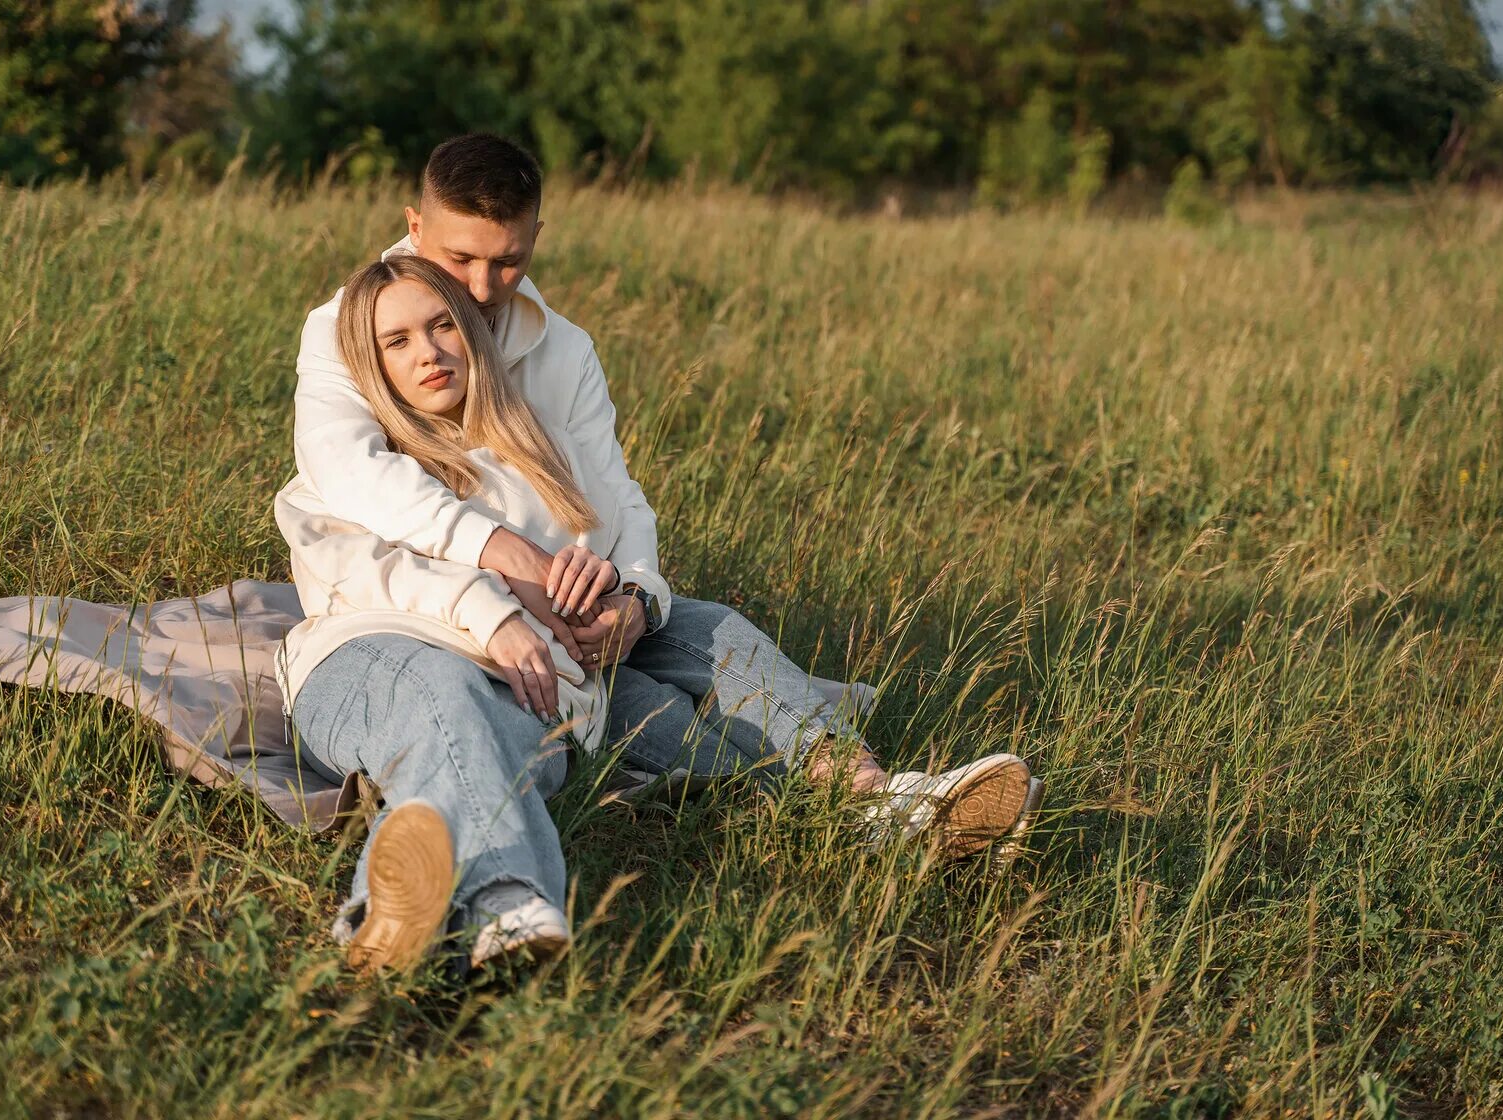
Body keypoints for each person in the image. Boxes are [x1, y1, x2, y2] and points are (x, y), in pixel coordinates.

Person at [279, 247, 1042, 973]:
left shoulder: (531, 446)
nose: (429, 352)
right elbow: (353, 566)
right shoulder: (358, 461)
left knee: (701, 646)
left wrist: (619, 598)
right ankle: (495, 906)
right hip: (384, 652)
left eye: (443, 325)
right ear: (368, 367)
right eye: (397, 341)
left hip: (555, 681)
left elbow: (616, 530)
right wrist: (496, 615)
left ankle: (876, 802)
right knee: (456, 714)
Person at [290, 131, 1044, 844]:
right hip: (463, 614)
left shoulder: (563, 349)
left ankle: (874, 790)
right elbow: (349, 474)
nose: (482, 290)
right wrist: (512, 564)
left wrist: (633, 594)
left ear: (536, 239)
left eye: (508, 262)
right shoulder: (352, 330)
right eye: (460, 259)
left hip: (572, 606)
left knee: (704, 627)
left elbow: (613, 492)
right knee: (650, 714)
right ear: (415, 228)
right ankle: (862, 810)